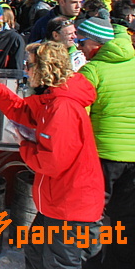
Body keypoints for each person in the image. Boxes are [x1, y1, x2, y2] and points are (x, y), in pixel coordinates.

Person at [0, 41, 103, 268]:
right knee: (36, 255)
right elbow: (22, 110)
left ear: (44, 69)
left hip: (70, 205)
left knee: (57, 262)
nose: (25, 69)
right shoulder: (51, 100)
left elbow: (52, 162)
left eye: (29, 64)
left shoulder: (62, 107)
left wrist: (24, 145)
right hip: (57, 201)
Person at [77, 16, 135, 269]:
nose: (79, 47)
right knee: (127, 218)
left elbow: (79, 116)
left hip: (102, 155)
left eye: (82, 42)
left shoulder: (92, 70)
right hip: (132, 156)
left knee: (91, 215)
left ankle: (92, 264)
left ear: (96, 44)